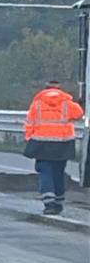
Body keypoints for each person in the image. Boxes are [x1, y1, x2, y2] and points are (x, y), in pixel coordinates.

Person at [23, 80, 84, 215]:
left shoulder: (37, 104)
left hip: (42, 143)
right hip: (62, 144)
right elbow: (79, 114)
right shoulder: (66, 103)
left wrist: (29, 139)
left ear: (45, 88)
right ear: (59, 89)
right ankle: (59, 201)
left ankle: (49, 202)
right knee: (58, 172)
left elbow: (29, 123)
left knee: (45, 171)